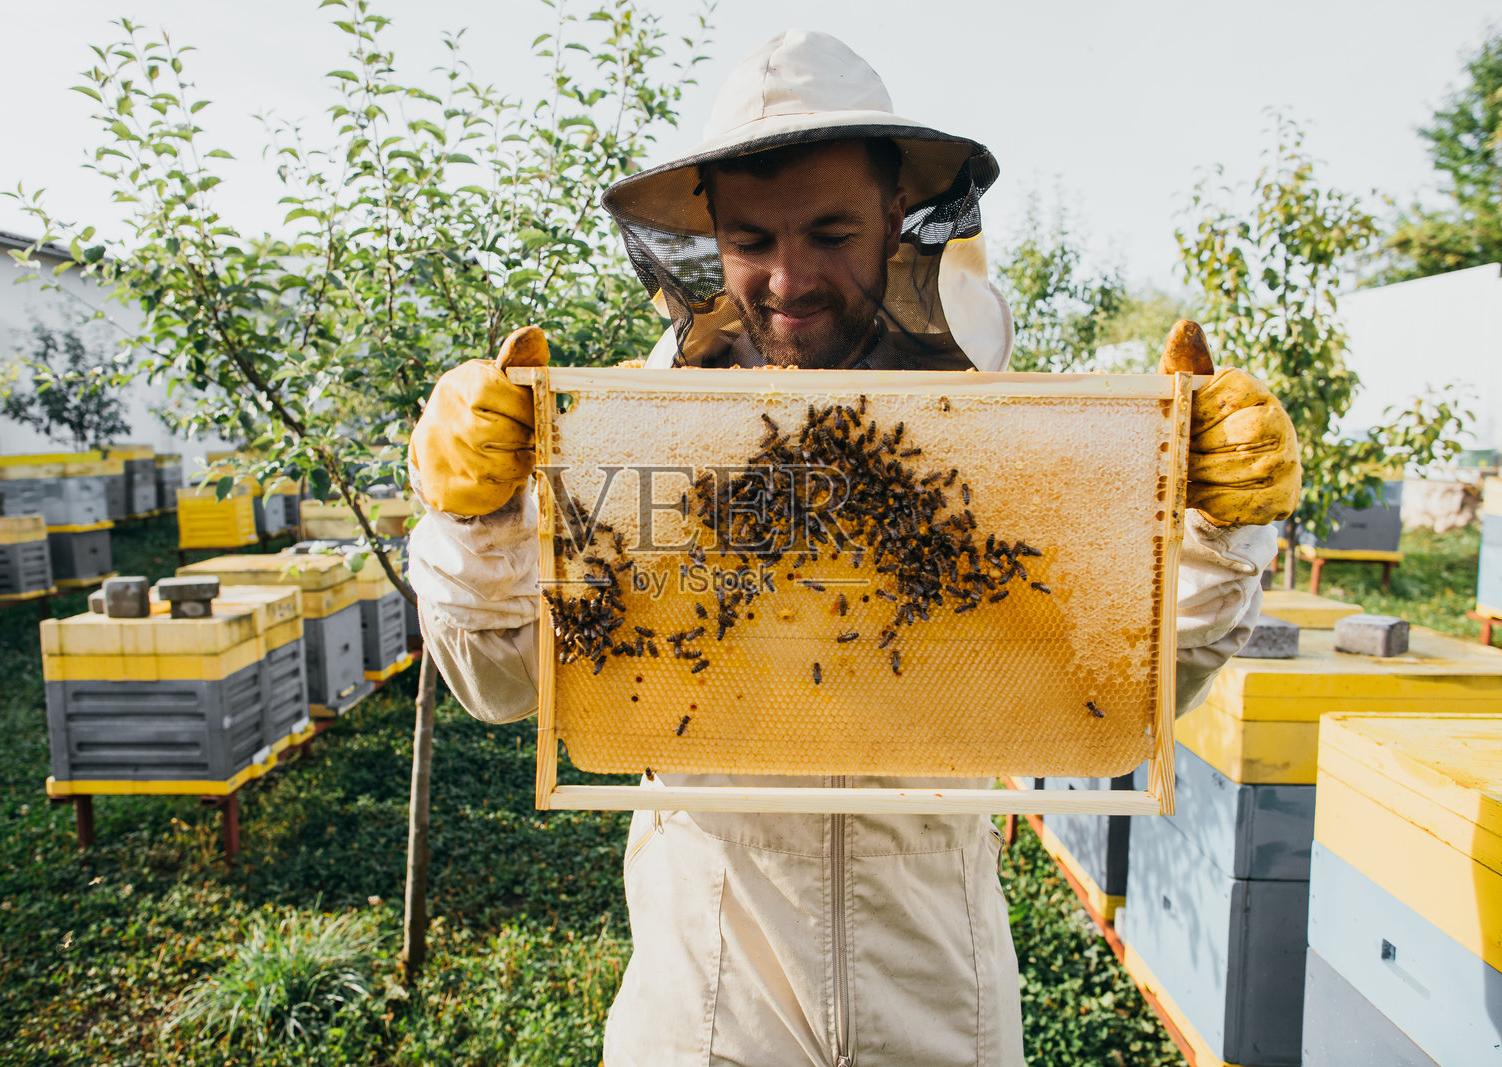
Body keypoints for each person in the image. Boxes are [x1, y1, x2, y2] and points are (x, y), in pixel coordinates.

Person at [406, 29, 1297, 1067]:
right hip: (706, 998)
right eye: (751, 239)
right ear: (710, 239)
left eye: (830, 231)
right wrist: (474, 523)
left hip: (937, 992)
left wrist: (1219, 535)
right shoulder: (637, 440)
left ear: (897, 217)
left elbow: (1128, 679)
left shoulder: (1003, 438)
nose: (788, 278)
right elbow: (501, 683)